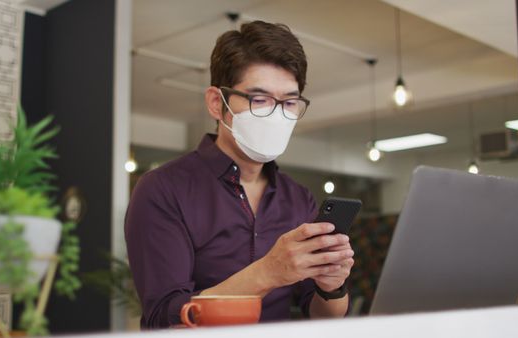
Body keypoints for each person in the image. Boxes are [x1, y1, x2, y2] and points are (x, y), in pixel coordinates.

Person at [125, 20, 354, 329]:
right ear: (217, 103)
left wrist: (332, 286)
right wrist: (269, 272)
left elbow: (320, 315)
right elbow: (162, 319)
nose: (276, 115)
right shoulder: (163, 189)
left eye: (289, 102)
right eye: (259, 99)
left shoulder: (298, 198)